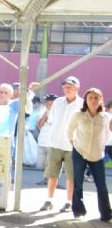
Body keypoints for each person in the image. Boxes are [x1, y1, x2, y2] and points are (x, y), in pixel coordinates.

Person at [67, 87, 111, 222]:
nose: (93, 100)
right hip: (79, 152)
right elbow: (69, 131)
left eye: (96, 98)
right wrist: (73, 143)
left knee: (101, 185)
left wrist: (101, 146)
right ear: (86, 100)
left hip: (97, 155)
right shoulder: (79, 115)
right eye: (90, 98)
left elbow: (107, 134)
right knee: (78, 183)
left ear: (100, 100)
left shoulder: (105, 117)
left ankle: (106, 215)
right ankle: (78, 211)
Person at [40, 76, 83, 212]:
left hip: (73, 146)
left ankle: (69, 202)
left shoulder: (82, 104)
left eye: (70, 86)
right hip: (55, 143)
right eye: (65, 87)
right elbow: (51, 120)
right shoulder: (57, 102)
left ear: (77, 88)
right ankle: (49, 200)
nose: (66, 89)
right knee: (52, 175)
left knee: (71, 177)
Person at [36, 93, 57, 177]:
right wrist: (45, 114)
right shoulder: (42, 111)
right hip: (42, 140)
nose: (47, 103)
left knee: (51, 165)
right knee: (41, 165)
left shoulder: (59, 112)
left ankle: (48, 180)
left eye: (50, 101)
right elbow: (39, 125)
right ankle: (42, 179)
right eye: (47, 101)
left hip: (53, 142)